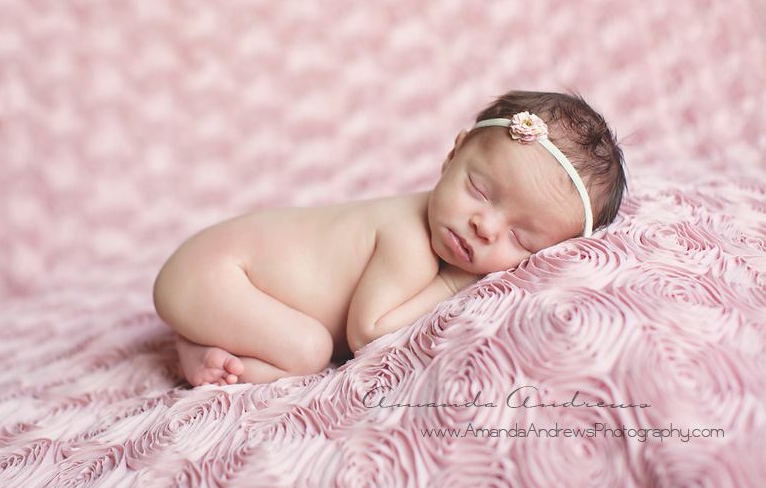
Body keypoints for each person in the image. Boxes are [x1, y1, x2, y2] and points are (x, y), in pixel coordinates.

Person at [153, 90, 627, 385]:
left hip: (218, 272)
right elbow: (368, 333)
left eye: (522, 239)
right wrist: (450, 284)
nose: (486, 226)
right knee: (308, 351)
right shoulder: (409, 239)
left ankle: (203, 334)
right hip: (214, 272)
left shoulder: (446, 227)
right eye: (479, 190)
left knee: (304, 342)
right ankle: (199, 354)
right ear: (453, 153)